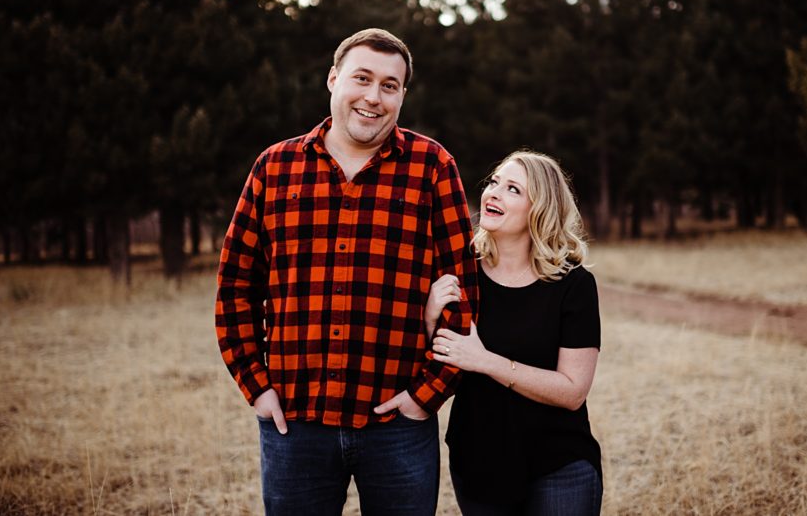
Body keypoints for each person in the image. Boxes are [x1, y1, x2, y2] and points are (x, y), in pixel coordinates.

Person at [215, 28, 478, 516]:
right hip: (295, 422)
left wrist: (427, 395)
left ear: (402, 94)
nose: (373, 97)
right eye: (362, 78)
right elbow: (235, 287)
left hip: (398, 422)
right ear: (333, 79)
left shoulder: (433, 167)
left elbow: (465, 291)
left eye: (389, 85)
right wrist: (257, 386)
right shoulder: (274, 168)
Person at [425, 150, 603, 515]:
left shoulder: (574, 285)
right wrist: (430, 318)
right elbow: (441, 363)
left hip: (559, 464)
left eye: (512, 189)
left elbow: (572, 391)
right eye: (493, 182)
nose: (493, 193)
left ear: (540, 208)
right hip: (478, 461)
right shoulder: (463, 274)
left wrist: (487, 362)